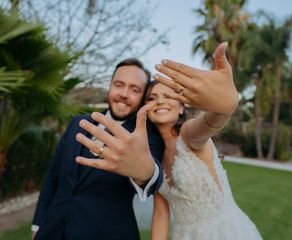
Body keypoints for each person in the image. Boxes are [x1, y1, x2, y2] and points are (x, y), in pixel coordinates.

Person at [78, 42, 262, 240]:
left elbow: (208, 123)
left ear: (182, 107)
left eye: (168, 95)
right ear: (144, 108)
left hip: (225, 232)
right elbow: (160, 214)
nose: (160, 101)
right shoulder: (153, 155)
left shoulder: (189, 134)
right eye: (152, 98)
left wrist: (225, 107)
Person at [31, 58, 164, 240]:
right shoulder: (78, 123)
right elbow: (53, 176)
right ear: (110, 86)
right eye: (119, 85)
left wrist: (145, 173)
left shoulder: (145, 138)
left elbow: (152, 173)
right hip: (52, 231)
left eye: (135, 89)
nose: (124, 94)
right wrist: (38, 224)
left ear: (142, 98)